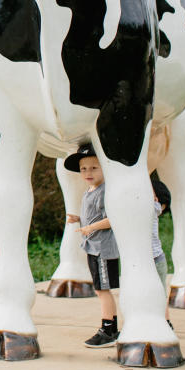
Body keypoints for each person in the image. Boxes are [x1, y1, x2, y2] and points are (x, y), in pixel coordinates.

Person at [64, 142, 120, 348]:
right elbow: (93, 217)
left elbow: (113, 218)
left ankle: (108, 329)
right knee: (100, 289)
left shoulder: (105, 191)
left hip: (103, 248)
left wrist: (91, 227)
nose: (88, 172)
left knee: (103, 289)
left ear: (104, 168)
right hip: (93, 247)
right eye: (83, 169)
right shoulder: (90, 191)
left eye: (94, 167)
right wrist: (79, 219)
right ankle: (111, 327)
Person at [151, 176, 173, 325]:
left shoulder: (153, 208)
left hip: (155, 259)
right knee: (157, 293)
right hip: (155, 259)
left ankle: (166, 322)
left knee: (159, 293)